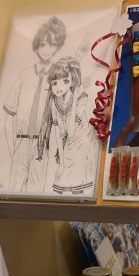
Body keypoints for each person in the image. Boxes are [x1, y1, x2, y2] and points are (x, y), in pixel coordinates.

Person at [3, 16, 67, 193]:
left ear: (57, 47)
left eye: (51, 45)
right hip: (21, 141)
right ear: (37, 45)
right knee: (14, 189)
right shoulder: (24, 75)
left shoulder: (59, 77)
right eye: (43, 44)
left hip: (42, 144)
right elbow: (9, 114)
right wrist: (13, 146)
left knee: (36, 190)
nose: (46, 49)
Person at [37, 56, 95, 195]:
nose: (58, 87)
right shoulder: (55, 102)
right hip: (66, 145)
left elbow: (71, 131)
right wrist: (61, 163)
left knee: (76, 187)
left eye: (65, 81)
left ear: (73, 81)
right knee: (61, 181)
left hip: (81, 144)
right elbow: (58, 134)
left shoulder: (82, 98)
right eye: (54, 83)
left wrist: (74, 100)